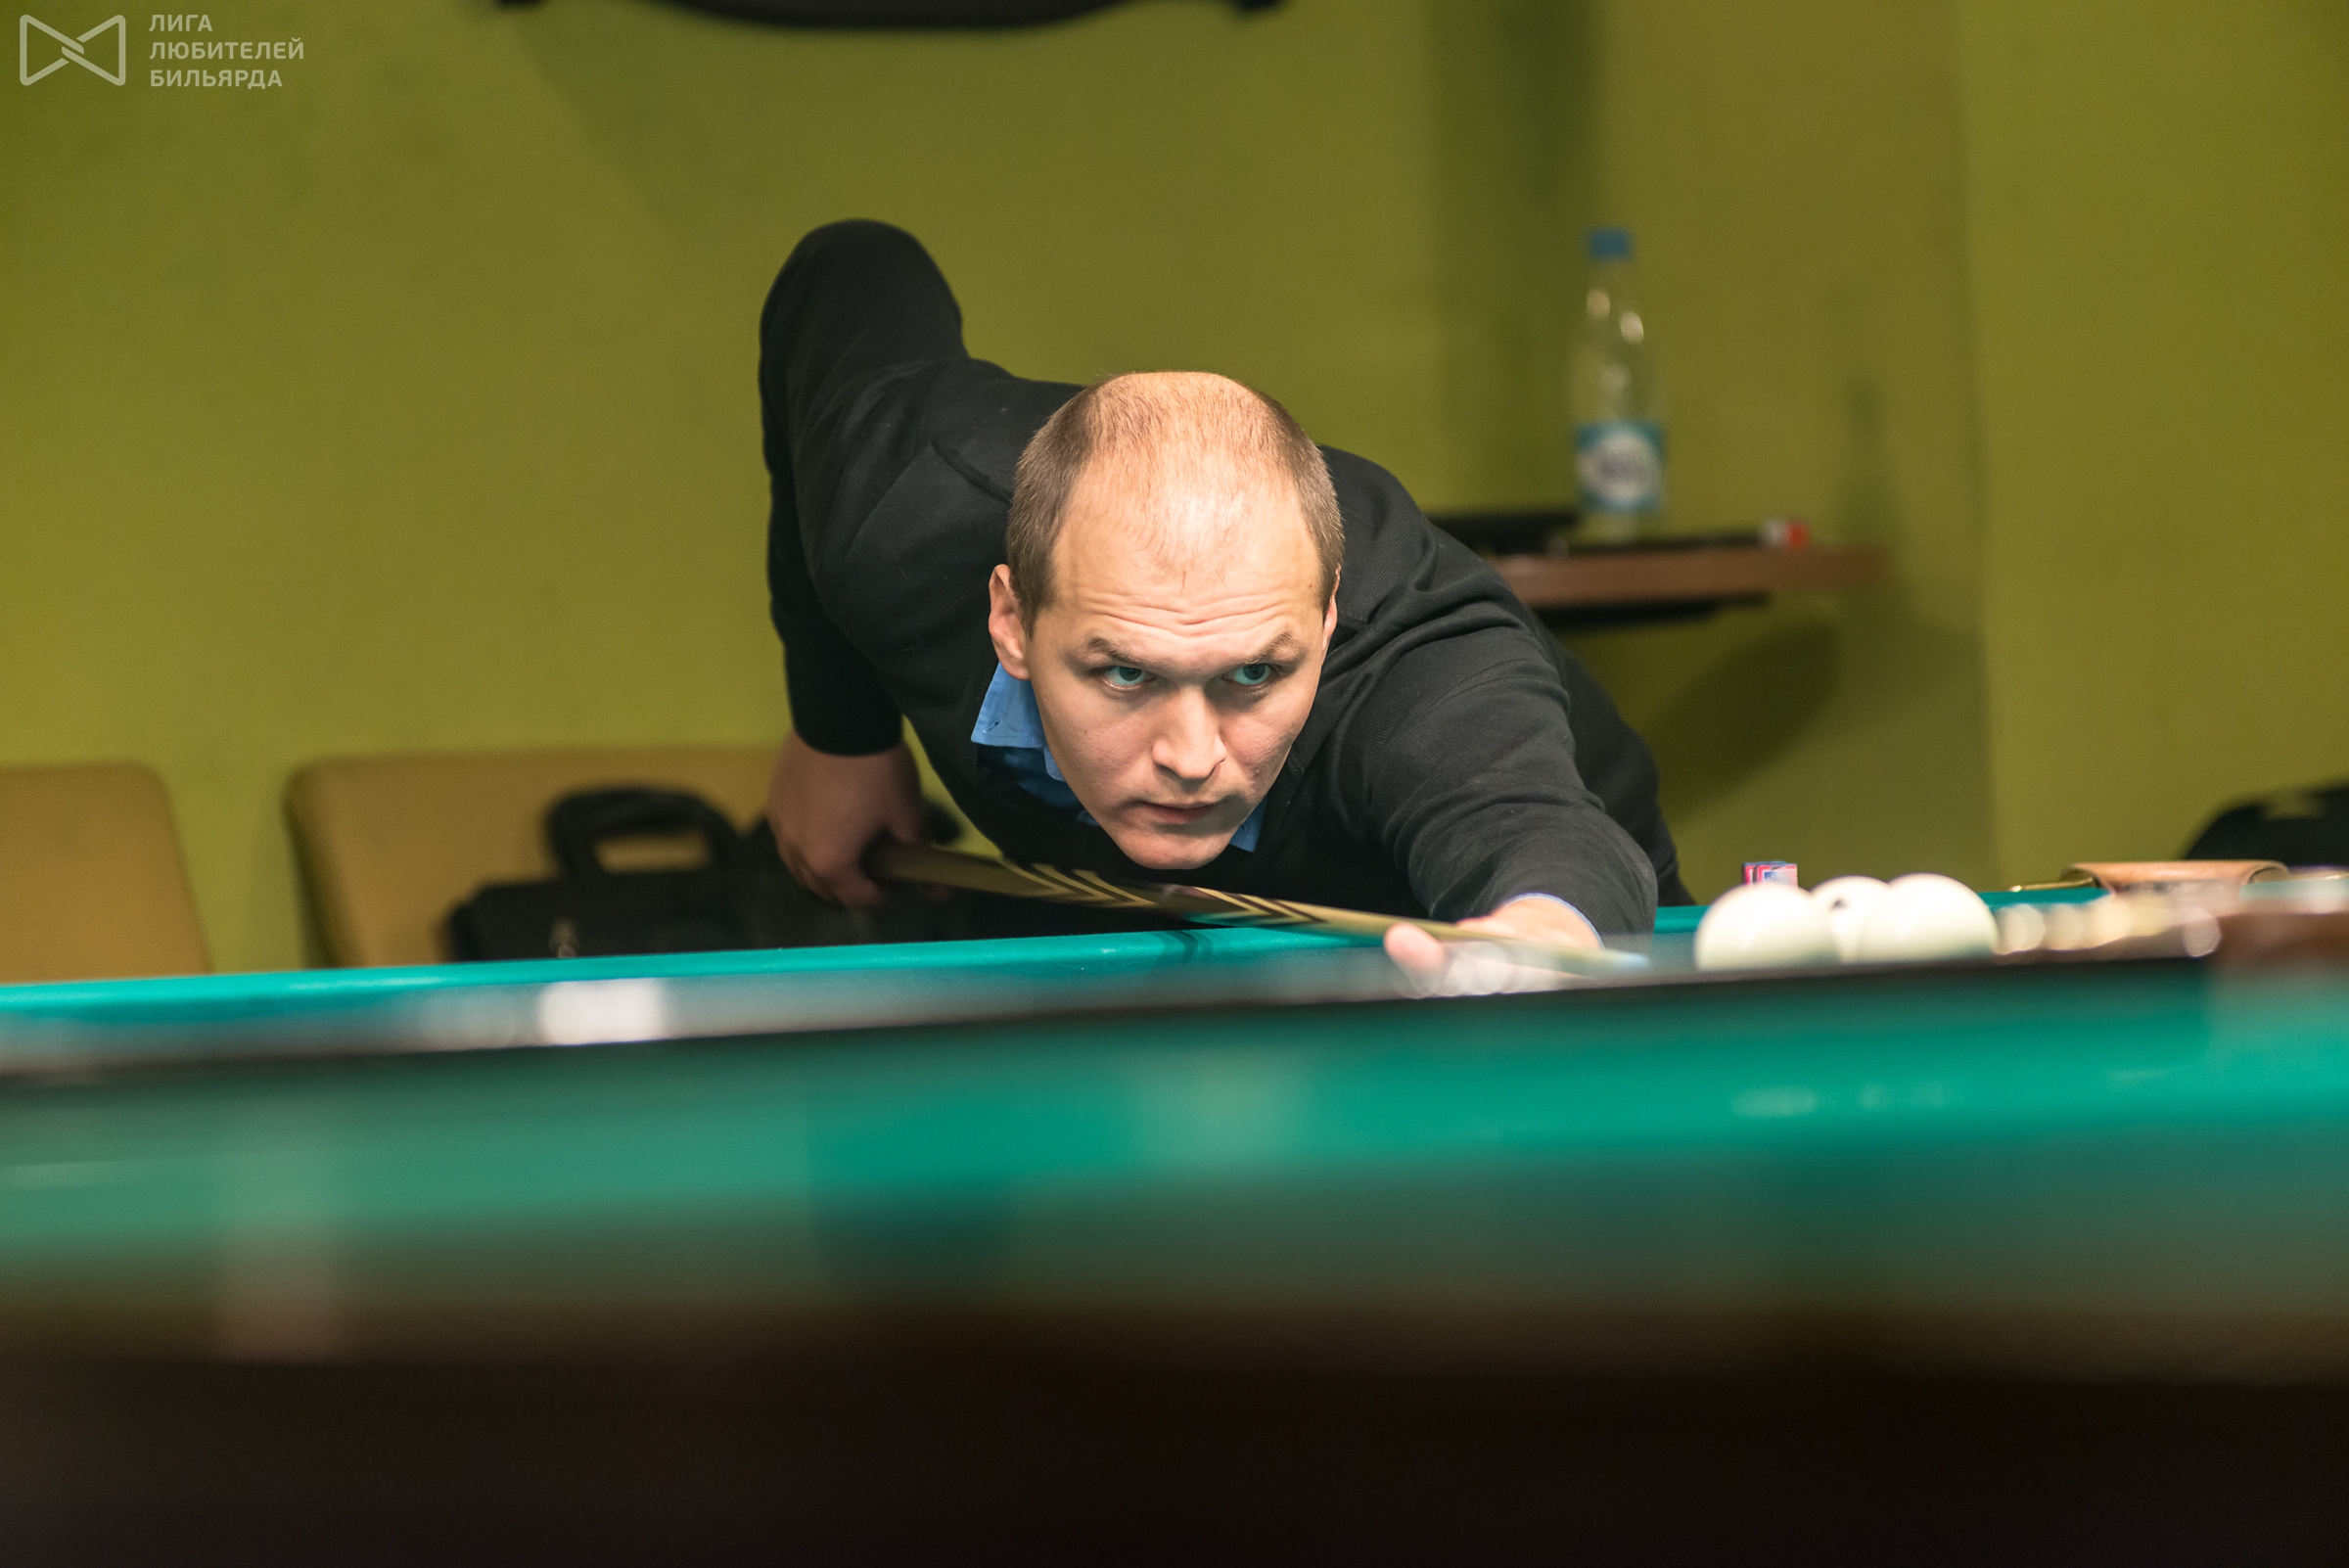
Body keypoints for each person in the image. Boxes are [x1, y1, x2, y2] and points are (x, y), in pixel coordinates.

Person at [760, 221, 1687, 967]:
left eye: (1252, 675)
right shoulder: (901, 509)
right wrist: (839, 732)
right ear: (1011, 619)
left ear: (1326, 618)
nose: (1193, 759)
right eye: (1125, 674)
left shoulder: (1415, 672)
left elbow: (1539, 833)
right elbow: (848, 265)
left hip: (1452, 932)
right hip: (1109, 898)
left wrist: (1535, 943)